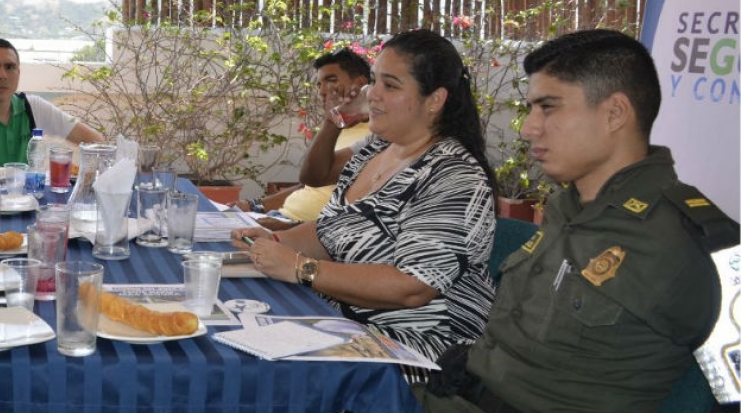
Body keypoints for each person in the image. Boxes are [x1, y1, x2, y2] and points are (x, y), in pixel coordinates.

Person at [416, 29, 738, 413]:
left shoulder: (695, 243)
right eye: (531, 109)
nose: (528, 128)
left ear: (615, 113)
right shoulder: (567, 206)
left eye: (548, 107)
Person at [231, 29, 497, 365]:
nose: (373, 94)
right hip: (344, 325)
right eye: (374, 81)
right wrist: (275, 239)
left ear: (435, 100)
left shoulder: (454, 176)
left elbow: (413, 286)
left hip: (420, 349)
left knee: (260, 376)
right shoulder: (376, 149)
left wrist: (301, 268)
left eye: (391, 85)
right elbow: (330, 231)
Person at [0, 37, 106, 207]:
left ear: (18, 73)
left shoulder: (32, 106)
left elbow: (96, 142)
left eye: (10, 67)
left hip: (23, 205)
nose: (2, 75)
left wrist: (86, 177)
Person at [236, 48, 374, 230]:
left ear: (361, 84)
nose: (323, 91)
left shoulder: (377, 136)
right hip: (281, 218)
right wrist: (254, 205)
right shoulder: (337, 130)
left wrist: (291, 228)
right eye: (319, 85)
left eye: (331, 81)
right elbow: (309, 184)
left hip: (306, 232)